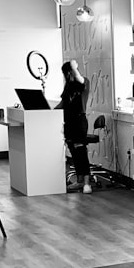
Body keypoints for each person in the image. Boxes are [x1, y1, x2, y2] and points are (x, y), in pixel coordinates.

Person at [57, 59, 92, 194]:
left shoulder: (84, 83)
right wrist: (48, 111)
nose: (66, 76)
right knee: (74, 152)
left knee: (81, 152)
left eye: (68, 73)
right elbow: (63, 103)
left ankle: (87, 183)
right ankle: (79, 181)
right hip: (69, 122)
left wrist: (73, 66)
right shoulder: (68, 87)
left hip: (79, 121)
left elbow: (78, 76)